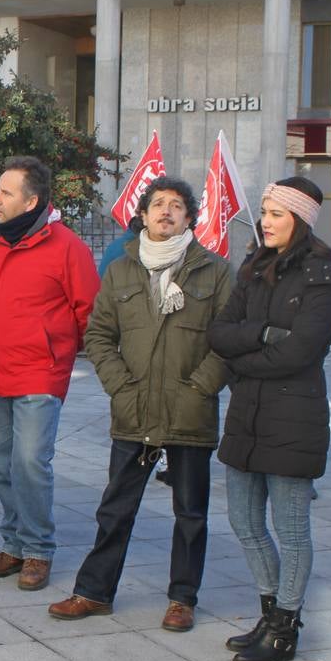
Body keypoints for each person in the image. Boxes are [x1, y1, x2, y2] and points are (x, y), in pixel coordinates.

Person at [49, 177, 231, 631]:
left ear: (189, 217)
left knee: (190, 512)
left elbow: (228, 342)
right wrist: (121, 388)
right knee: (115, 508)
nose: (166, 212)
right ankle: (94, 592)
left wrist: (199, 389)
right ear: (143, 214)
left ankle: (182, 598)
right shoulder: (122, 269)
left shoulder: (215, 270)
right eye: (157, 204)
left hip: (190, 410)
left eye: (176, 206)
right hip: (134, 410)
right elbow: (98, 335)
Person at [208, 176, 331, 661]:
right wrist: (263, 334)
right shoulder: (254, 266)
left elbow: (301, 351)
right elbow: (220, 333)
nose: (265, 221)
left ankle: (285, 627)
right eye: (265, 212)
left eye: (275, 213)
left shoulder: (322, 272)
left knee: (290, 529)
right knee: (243, 520)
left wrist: (245, 359)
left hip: (294, 414)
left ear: (299, 219)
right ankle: (269, 610)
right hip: (247, 413)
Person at [0, 156, 100, 591]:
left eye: (6, 193)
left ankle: (38, 550)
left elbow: (90, 311)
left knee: (30, 461)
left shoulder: (67, 246)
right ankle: (14, 543)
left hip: (39, 373)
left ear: (32, 201)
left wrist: (58, 352)